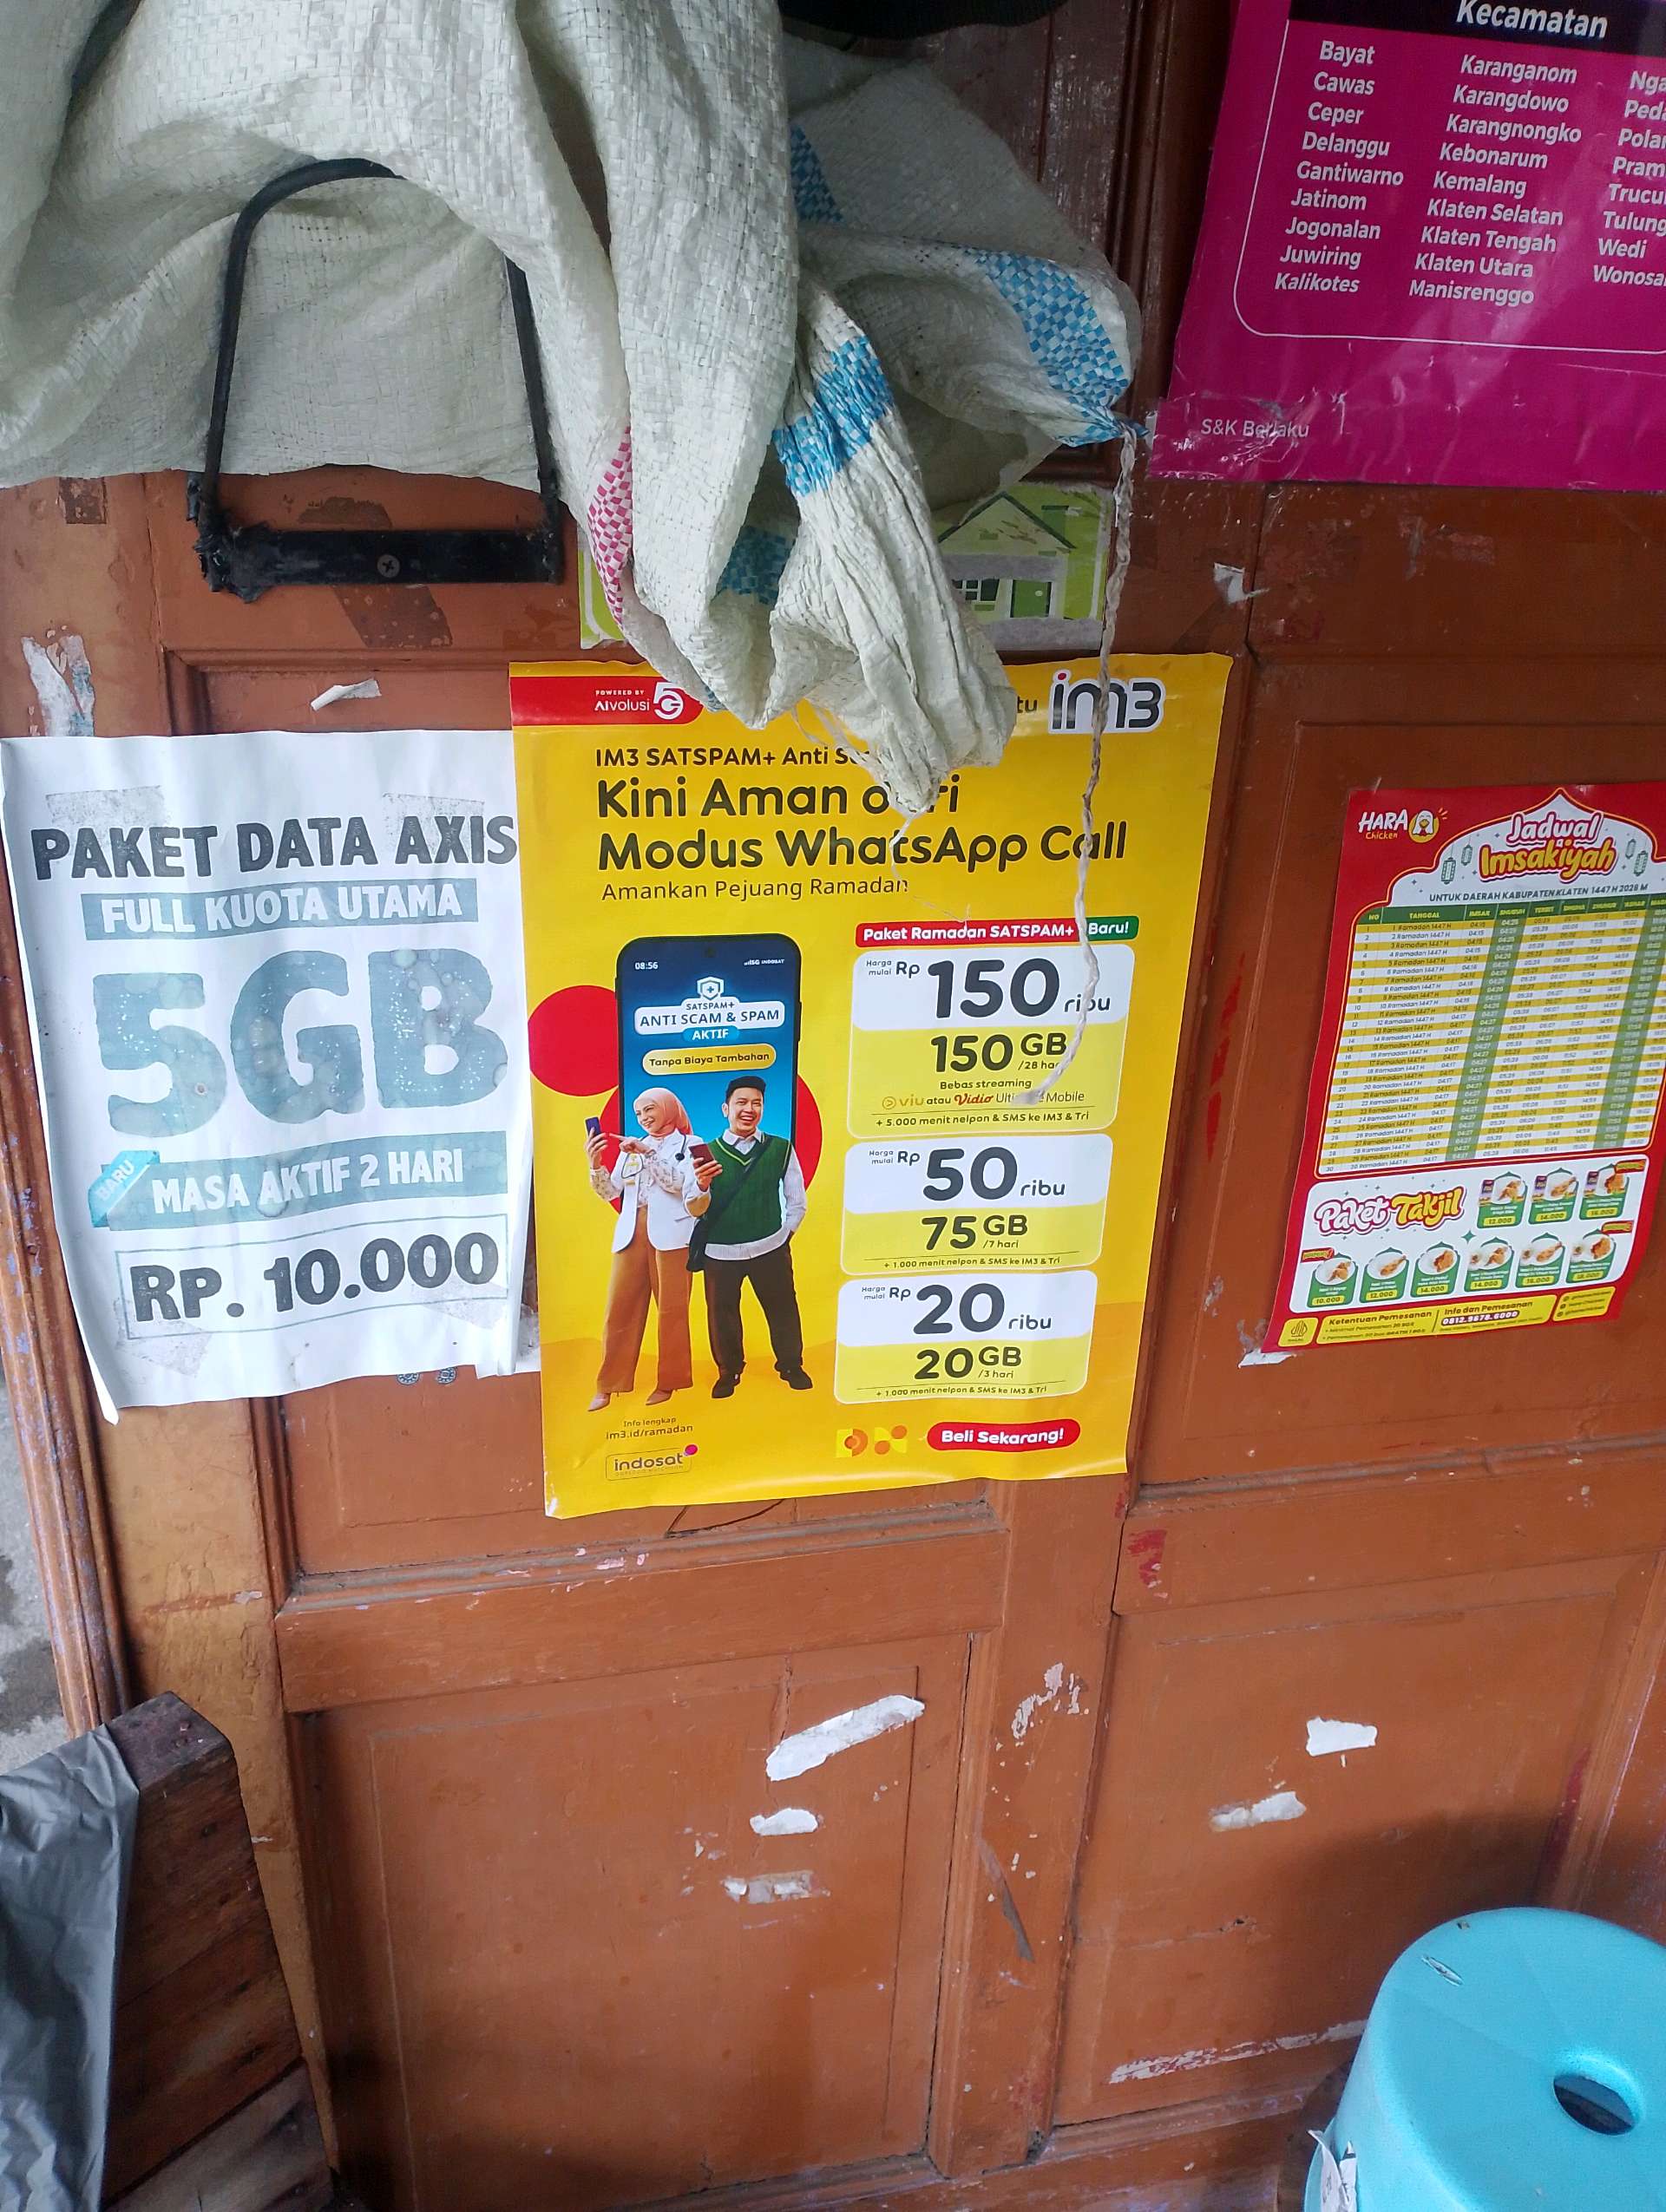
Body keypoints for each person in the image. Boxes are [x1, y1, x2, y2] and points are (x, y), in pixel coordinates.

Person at [586, 1088, 719, 1410]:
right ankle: (608, 1384)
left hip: (673, 1234)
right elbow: (610, 1192)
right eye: (639, 1113)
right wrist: (596, 1164)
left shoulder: (692, 1144)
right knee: (619, 1309)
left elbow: (680, 1186)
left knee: (672, 1311)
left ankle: (669, 1382)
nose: (644, 1118)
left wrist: (648, 1153)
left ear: (669, 1108)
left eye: (650, 1109)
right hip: (632, 1232)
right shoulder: (631, 1147)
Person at [697, 1075, 810, 1397]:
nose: (749, 1109)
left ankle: (791, 1365)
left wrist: (785, 1234)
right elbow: (695, 1206)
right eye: (742, 1102)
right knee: (722, 1315)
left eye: (756, 1103)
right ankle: (728, 1371)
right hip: (720, 1251)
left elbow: (797, 1200)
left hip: (770, 1247)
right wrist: (701, 1185)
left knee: (783, 1308)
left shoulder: (780, 1148)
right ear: (726, 1109)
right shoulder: (705, 1152)